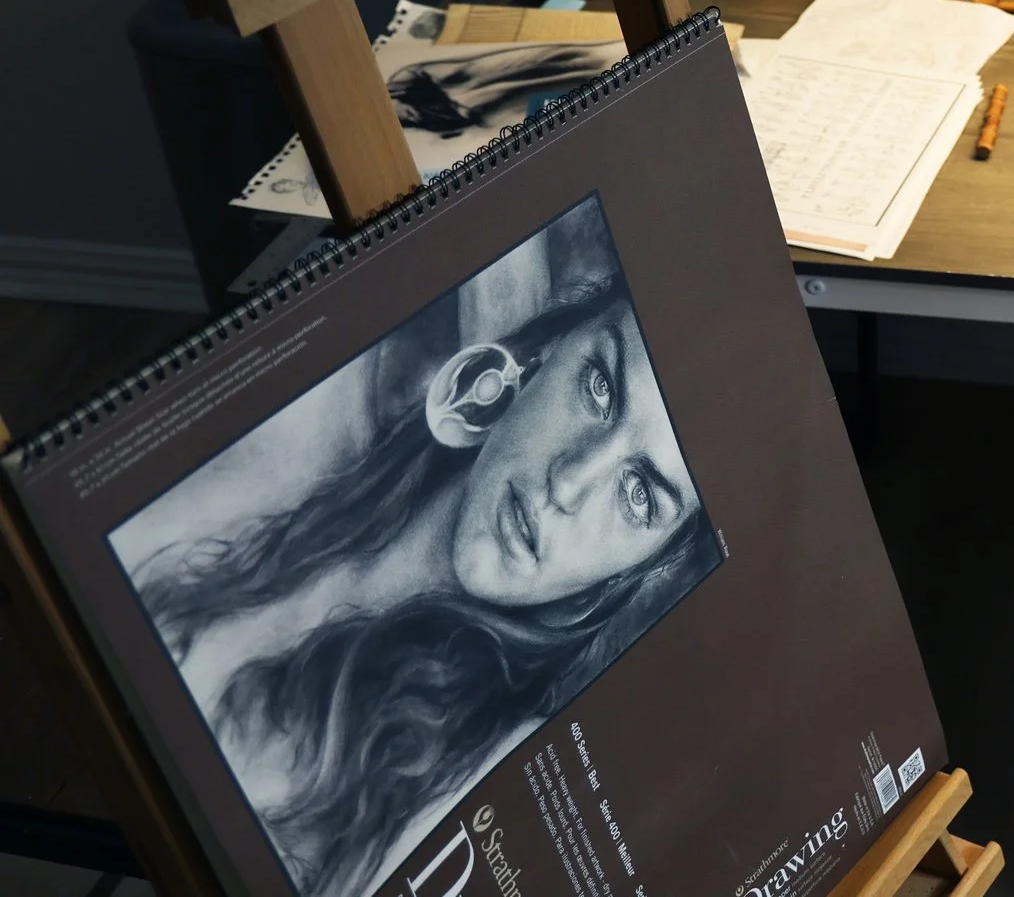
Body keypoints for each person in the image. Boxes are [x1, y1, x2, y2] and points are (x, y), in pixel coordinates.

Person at [114, 204, 718, 897]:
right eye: (600, 385)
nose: (571, 482)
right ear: (544, 356)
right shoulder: (311, 447)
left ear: (639, 566)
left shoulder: (492, 765)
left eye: (641, 494)